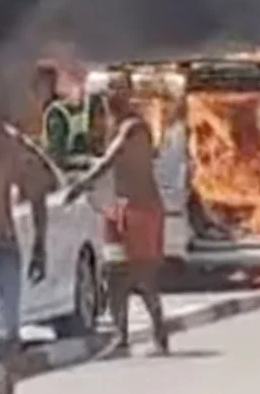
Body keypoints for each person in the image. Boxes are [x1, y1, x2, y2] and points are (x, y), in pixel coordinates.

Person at [64, 74, 169, 356]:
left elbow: (109, 160)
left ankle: (160, 334)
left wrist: (80, 184)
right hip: (120, 208)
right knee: (113, 273)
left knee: (144, 276)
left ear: (126, 95)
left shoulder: (134, 127)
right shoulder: (114, 125)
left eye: (117, 90)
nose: (111, 96)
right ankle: (121, 337)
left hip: (142, 208)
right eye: (109, 90)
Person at [0, 77, 54, 393]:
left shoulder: (11, 146)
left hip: (3, 249)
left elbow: (37, 193)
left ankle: (6, 385)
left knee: (8, 334)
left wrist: (39, 245)